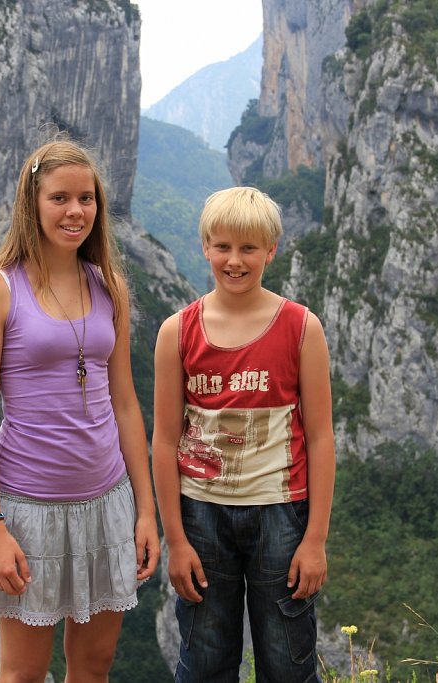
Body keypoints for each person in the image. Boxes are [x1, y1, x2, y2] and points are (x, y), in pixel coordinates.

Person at [0, 138, 160, 683]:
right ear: (32, 203)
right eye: (60, 198)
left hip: (108, 501)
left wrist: (144, 510)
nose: (76, 212)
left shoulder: (108, 286)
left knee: (95, 665)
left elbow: (125, 405)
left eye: (87, 199)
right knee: (23, 673)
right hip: (29, 510)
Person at [152, 186, 336, 682]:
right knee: (205, 657)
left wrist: (314, 538)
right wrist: (176, 540)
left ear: (271, 250)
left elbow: (320, 437)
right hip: (201, 514)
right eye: (224, 247)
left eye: (249, 249)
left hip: (281, 512)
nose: (235, 261)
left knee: (287, 658)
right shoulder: (178, 331)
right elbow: (165, 440)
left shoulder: (301, 328)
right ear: (205, 246)